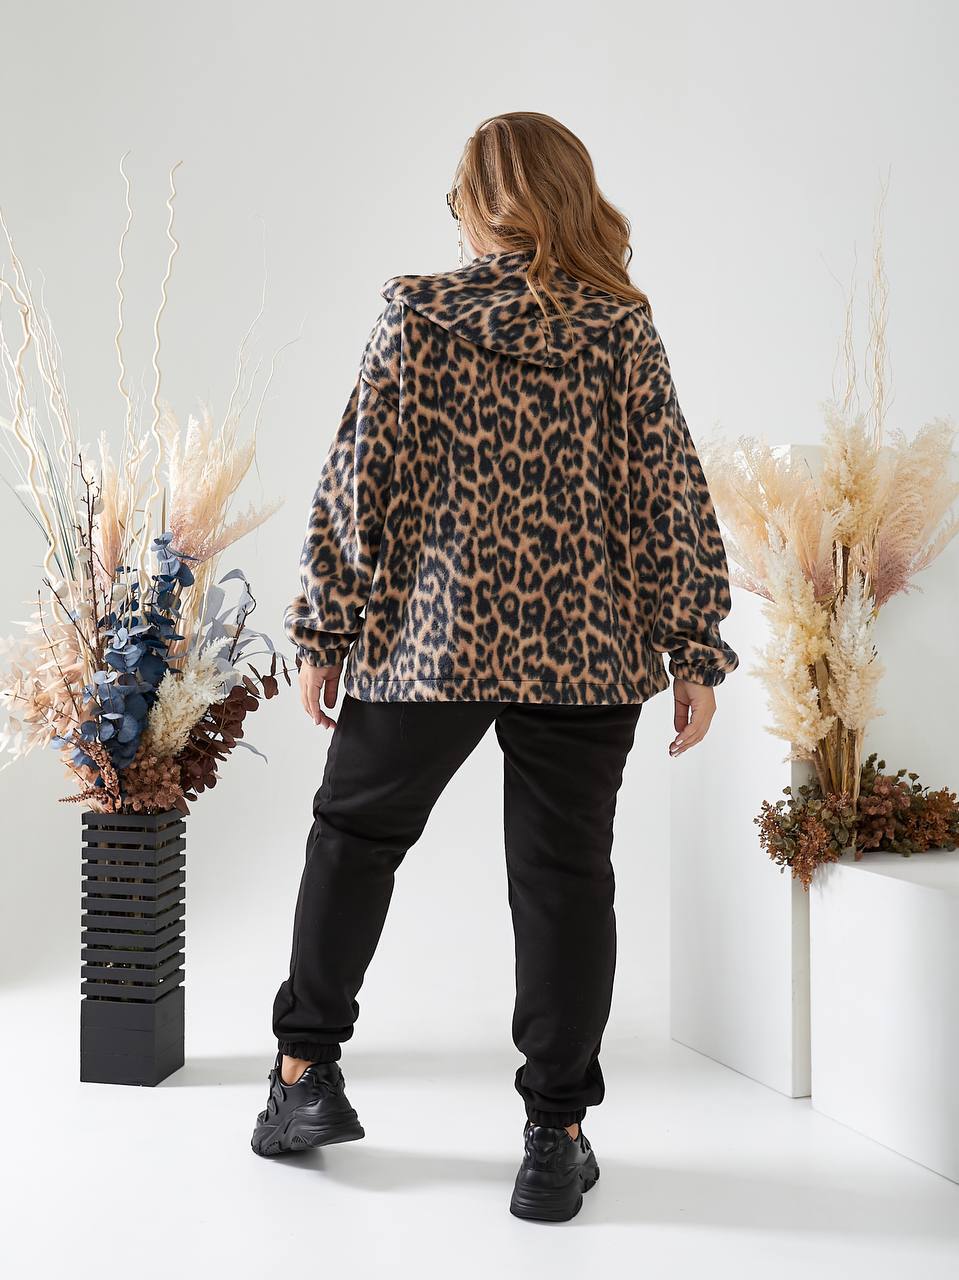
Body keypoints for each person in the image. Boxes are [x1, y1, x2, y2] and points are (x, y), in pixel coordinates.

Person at [250, 110, 739, 1223]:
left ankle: (303, 1074)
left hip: (433, 640)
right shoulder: (619, 326)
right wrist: (693, 648)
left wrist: (325, 627)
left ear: (479, 204)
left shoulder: (416, 314)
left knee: (354, 838)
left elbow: (358, 480)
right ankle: (554, 1137)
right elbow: (666, 493)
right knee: (564, 879)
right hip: (587, 646)